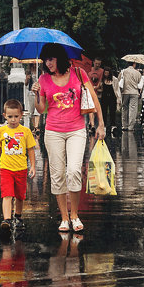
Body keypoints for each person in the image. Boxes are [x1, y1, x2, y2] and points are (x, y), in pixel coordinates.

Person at [31, 44, 105, 233]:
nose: (48, 64)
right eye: (45, 60)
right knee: (57, 175)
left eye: (51, 59)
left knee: (73, 171)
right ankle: (64, 217)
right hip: (53, 131)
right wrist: (35, 94)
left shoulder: (78, 73)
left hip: (76, 130)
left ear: (60, 58)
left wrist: (101, 124)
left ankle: (74, 215)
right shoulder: (43, 79)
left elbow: (94, 99)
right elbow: (41, 109)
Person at [0, 98, 36, 231]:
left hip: (21, 168)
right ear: (4, 116)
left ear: (21, 115)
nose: (13, 120)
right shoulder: (2, 131)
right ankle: (6, 220)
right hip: (6, 168)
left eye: (16, 116)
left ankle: (18, 217)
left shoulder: (25, 131)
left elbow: (30, 149)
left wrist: (33, 166)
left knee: (19, 196)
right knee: (7, 194)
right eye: (10, 116)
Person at [119, 61, 142, 131]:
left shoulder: (123, 72)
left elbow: (119, 80)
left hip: (125, 92)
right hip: (134, 92)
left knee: (124, 108)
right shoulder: (137, 73)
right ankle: (131, 126)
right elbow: (139, 82)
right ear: (134, 64)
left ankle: (124, 125)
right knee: (133, 109)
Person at [100, 66, 121, 134]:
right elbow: (100, 87)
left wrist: (119, 98)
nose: (106, 74)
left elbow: (117, 88)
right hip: (104, 97)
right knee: (104, 112)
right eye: (105, 73)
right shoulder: (102, 79)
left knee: (112, 111)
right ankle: (104, 125)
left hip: (112, 97)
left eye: (107, 73)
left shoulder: (114, 79)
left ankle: (113, 125)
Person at [87, 57, 104, 134]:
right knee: (91, 108)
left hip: (98, 92)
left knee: (96, 109)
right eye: (96, 63)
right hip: (90, 91)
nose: (97, 65)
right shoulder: (89, 70)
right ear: (93, 62)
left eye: (99, 64)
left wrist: (97, 87)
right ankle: (92, 124)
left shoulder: (102, 71)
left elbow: (101, 80)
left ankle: (94, 124)